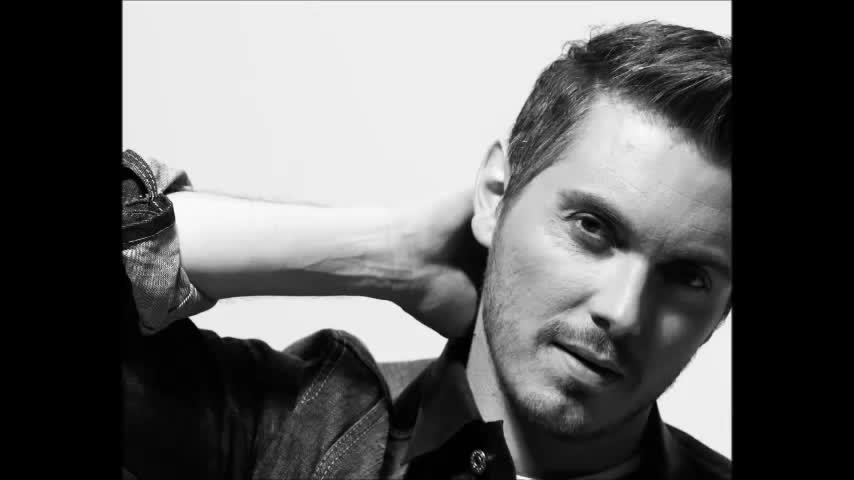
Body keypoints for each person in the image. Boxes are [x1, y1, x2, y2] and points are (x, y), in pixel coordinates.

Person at [121, 21, 731, 480]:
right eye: (592, 228)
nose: (622, 311)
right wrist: (387, 253)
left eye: (689, 276)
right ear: (496, 194)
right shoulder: (294, 429)